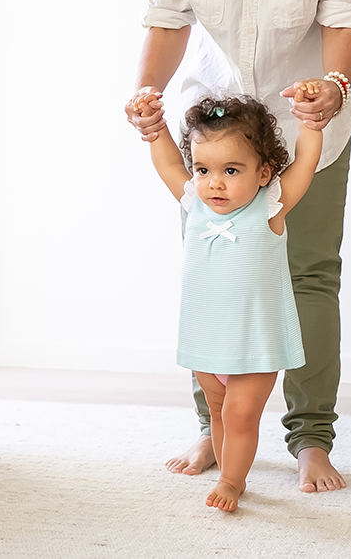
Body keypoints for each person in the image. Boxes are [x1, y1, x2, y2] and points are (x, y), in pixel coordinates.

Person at [125, 0, 351, 493]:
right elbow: (167, 18)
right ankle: (212, 428)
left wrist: (335, 86)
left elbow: (343, 19)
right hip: (216, 136)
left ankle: (311, 438)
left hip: (307, 121)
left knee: (309, 277)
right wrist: (146, 94)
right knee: (210, 276)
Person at [134, 91, 324, 511]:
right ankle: (226, 466)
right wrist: (156, 128)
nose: (214, 182)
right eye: (203, 169)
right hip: (207, 339)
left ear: (264, 172)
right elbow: (168, 164)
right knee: (218, 409)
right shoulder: (195, 203)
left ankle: (232, 481)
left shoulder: (270, 206)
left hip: (254, 343)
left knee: (239, 414)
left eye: (231, 170)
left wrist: (310, 125)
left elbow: (306, 164)